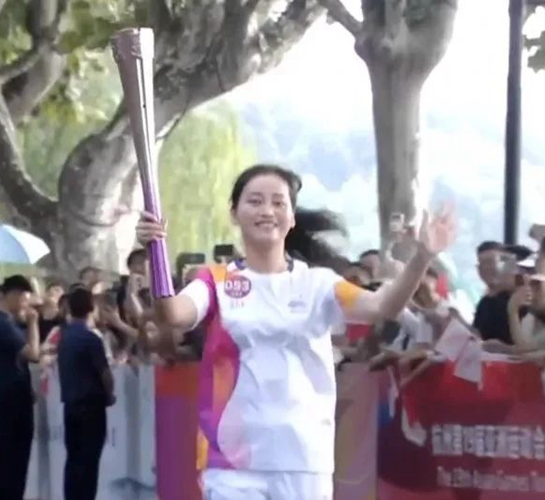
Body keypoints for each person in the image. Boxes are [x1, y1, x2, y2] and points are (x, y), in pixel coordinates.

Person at [136, 164, 455, 499]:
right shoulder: (215, 281)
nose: (267, 211)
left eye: (278, 202)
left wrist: (423, 257)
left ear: (291, 218)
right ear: (234, 213)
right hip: (231, 463)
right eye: (255, 201)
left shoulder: (318, 285)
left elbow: (382, 306)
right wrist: (155, 252)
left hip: (303, 458)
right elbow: (171, 314)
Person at [0, 275, 40, 500]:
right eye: (25, 299)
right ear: (14, 295)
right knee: (13, 457)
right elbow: (33, 354)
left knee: (9, 456)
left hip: (10, 395)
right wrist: (33, 323)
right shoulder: (2, 325)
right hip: (11, 399)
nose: (26, 305)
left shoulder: (3, 323)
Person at [57, 287, 115, 500]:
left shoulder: (64, 338)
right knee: (89, 462)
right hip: (91, 407)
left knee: (73, 459)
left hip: (70, 405)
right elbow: (104, 373)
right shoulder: (91, 339)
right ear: (92, 308)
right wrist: (110, 393)